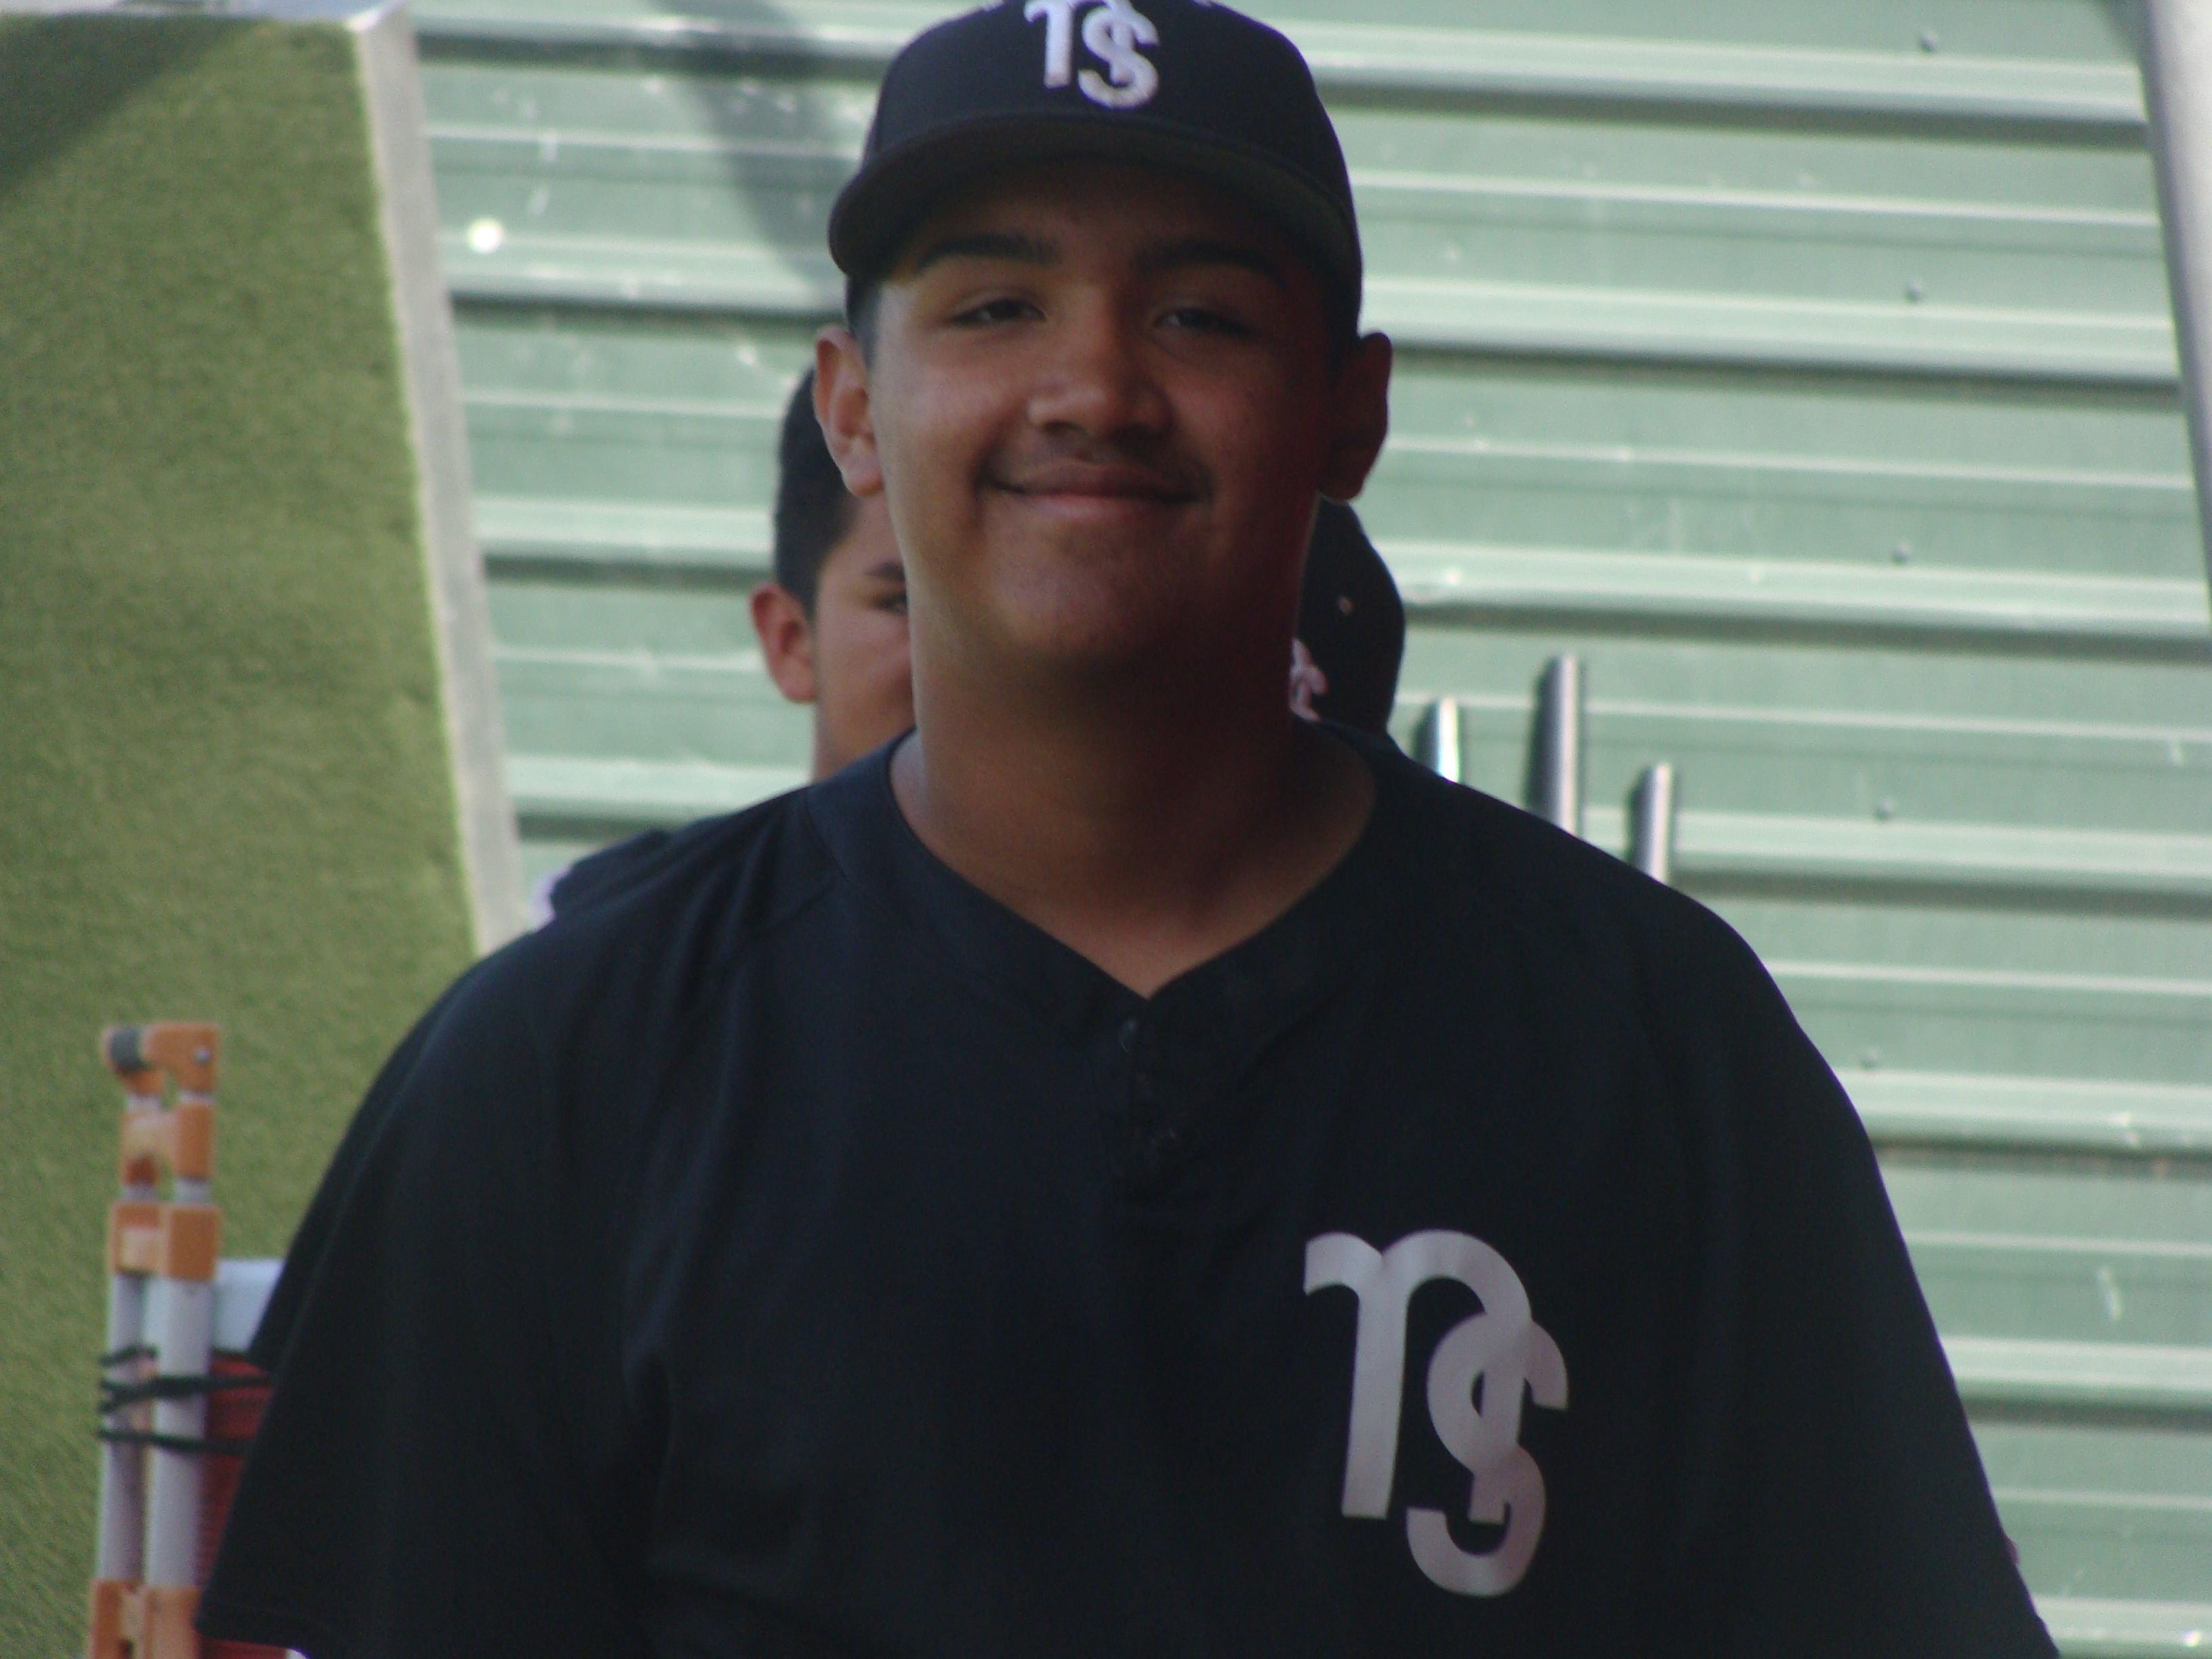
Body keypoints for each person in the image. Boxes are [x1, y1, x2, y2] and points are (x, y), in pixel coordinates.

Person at [201, 3, 2053, 1656]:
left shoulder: (1658, 1049)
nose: (1093, 389)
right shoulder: (570, 1061)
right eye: (995, 305)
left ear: (1350, 416)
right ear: (853, 408)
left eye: (1198, 314)